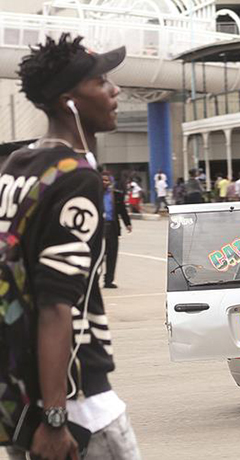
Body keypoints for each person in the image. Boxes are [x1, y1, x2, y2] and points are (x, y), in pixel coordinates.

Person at [4, 33, 141, 460]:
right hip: (78, 405)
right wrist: (56, 419)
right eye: (101, 82)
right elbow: (55, 305)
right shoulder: (74, 178)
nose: (114, 90)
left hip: (23, 394)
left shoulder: (18, 165)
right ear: (70, 102)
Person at [102, 170, 131, 289]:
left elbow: (122, 210)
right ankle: (92, 279)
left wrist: (127, 223)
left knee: (112, 255)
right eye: (102, 180)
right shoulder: (94, 194)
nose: (104, 182)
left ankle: (108, 280)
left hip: (112, 227)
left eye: (106, 180)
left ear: (110, 182)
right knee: (98, 256)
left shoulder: (116, 195)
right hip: (99, 228)